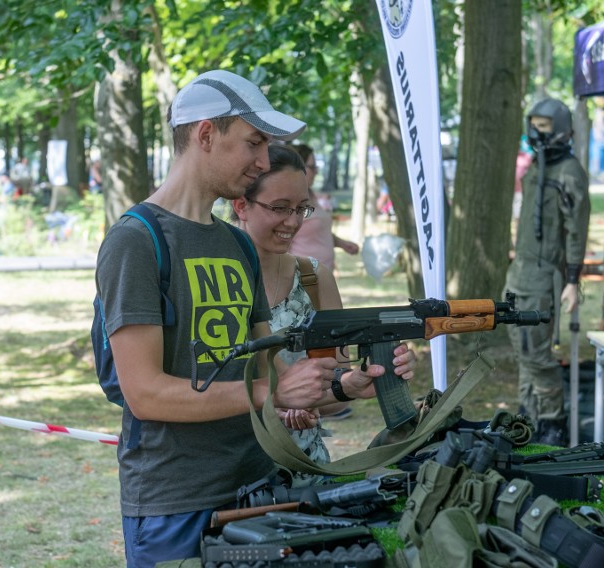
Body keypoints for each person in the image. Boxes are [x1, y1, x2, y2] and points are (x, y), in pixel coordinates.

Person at [94, 70, 415, 567]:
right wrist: (273, 394)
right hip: (175, 503)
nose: (264, 161)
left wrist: (344, 387)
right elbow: (145, 392)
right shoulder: (136, 240)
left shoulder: (237, 243)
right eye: (254, 142)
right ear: (205, 134)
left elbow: (274, 380)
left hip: (261, 488)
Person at [231, 145, 389, 484]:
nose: (293, 222)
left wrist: (353, 385)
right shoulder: (218, 284)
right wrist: (276, 403)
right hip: (235, 478)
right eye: (279, 208)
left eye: (302, 208)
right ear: (241, 205)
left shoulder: (315, 280)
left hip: (306, 473)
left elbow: (331, 394)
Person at [504, 98, 590, 447]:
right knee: (524, 354)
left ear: (560, 128)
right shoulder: (536, 167)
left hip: (543, 277)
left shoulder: (569, 172)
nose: (538, 132)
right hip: (518, 273)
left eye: (544, 125)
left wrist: (572, 280)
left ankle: (553, 422)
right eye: (534, 124)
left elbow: (576, 230)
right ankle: (528, 417)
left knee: (536, 355)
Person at [287, 143, 359, 270]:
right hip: (304, 277)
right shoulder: (292, 200)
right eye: (312, 167)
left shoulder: (311, 195)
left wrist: (342, 244)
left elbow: (317, 233)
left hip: (323, 276)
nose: (316, 171)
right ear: (298, 167)